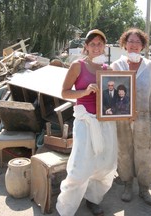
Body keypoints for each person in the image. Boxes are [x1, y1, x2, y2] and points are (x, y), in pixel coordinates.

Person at [56, 29, 118, 216]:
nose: (96, 47)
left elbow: (116, 100)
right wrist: (84, 92)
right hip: (84, 119)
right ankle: (65, 208)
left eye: (100, 44)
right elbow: (65, 92)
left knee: (106, 164)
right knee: (80, 167)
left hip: (105, 121)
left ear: (104, 46)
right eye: (93, 44)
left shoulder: (109, 70)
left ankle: (93, 199)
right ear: (86, 47)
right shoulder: (78, 65)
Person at [110, 28, 151, 205]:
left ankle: (144, 189)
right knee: (124, 152)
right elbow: (108, 93)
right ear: (124, 44)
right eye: (130, 41)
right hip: (121, 118)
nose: (133, 45)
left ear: (143, 46)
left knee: (145, 154)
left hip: (143, 118)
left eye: (137, 42)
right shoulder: (116, 66)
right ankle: (127, 184)